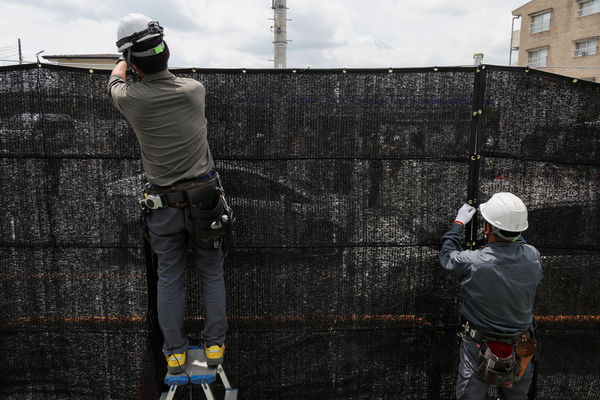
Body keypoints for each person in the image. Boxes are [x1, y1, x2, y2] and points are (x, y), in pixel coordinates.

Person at [107, 13, 229, 373]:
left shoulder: (131, 99)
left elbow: (114, 82)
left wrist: (120, 61)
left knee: (170, 276)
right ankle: (215, 349)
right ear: (166, 52)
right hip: (205, 199)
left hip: (162, 204)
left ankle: (175, 353)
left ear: (132, 61)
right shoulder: (194, 90)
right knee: (211, 271)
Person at [440, 192, 542, 400]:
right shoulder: (533, 257)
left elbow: (447, 255)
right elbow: (515, 242)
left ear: (487, 228)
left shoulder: (474, 262)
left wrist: (458, 224)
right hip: (521, 348)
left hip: (478, 347)